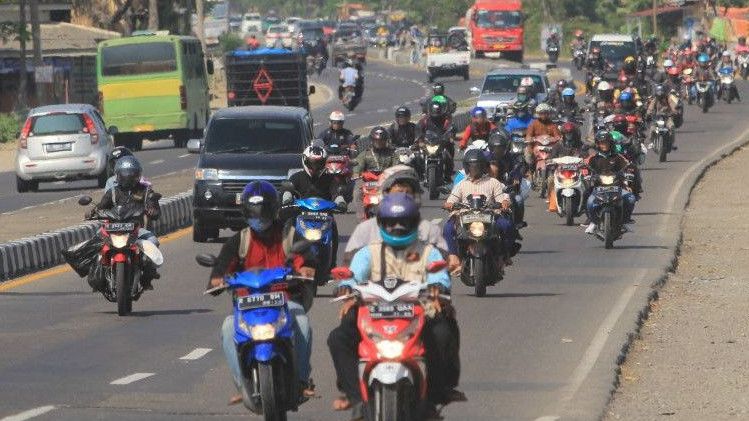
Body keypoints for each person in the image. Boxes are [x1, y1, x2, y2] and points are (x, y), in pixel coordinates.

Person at [328, 193, 461, 419]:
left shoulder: (428, 251)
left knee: (443, 333)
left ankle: (435, 395)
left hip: (420, 311)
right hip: (371, 313)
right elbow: (351, 275)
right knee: (338, 337)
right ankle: (356, 396)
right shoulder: (368, 253)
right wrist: (346, 287)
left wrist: (437, 287)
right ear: (381, 223)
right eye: (391, 222)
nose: (398, 227)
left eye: (404, 222)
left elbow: (439, 275)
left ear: (414, 222)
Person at [207, 181, 317, 405]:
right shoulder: (239, 240)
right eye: (254, 213)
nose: (259, 218)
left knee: (303, 325)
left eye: (264, 212)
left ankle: (302, 381)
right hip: (248, 306)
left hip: (285, 301)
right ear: (246, 212)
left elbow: (305, 257)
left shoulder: (288, 235)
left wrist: (305, 268)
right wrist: (217, 280)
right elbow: (221, 268)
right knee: (228, 328)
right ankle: (242, 384)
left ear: (274, 210)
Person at [343, 165, 448, 264]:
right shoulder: (365, 230)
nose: (402, 198)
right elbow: (349, 268)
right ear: (385, 193)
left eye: (408, 193)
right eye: (398, 191)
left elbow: (442, 269)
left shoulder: (430, 230)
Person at [89, 156, 161, 289]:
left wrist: (152, 210)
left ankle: (147, 278)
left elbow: (155, 210)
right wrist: (92, 212)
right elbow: (101, 206)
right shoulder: (113, 192)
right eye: (124, 174)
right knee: (94, 242)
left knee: (153, 241)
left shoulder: (146, 192)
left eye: (131, 174)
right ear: (118, 175)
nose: (127, 178)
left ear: (137, 175)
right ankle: (97, 275)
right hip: (112, 229)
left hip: (138, 231)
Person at [443, 149, 518, 271]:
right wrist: (449, 204)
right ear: (467, 167)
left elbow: (501, 198)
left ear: (483, 166)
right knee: (447, 228)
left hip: (489, 215)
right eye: (472, 166)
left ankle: (503, 255)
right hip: (465, 216)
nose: (474, 169)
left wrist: (503, 203)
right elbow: (451, 200)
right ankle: (453, 256)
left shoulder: (493, 182)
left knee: (507, 226)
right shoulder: (462, 184)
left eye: (477, 166)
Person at [584, 131, 637, 234]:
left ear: (611, 143)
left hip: (617, 187)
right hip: (598, 188)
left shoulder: (617, 157)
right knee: (589, 201)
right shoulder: (593, 158)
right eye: (602, 143)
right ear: (598, 144)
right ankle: (593, 222)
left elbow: (628, 166)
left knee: (631, 198)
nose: (604, 145)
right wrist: (586, 174)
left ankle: (624, 221)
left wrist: (630, 173)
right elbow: (585, 167)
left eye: (606, 142)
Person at [487, 128, 527, 228]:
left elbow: (516, 170)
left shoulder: (509, 158)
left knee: (518, 199)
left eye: (500, 149)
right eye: (495, 149)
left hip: (504, 188)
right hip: (486, 187)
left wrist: (516, 179)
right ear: (490, 148)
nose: (498, 151)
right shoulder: (485, 158)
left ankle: (517, 223)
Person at [419, 99, 455, 179]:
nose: (435, 114)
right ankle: (420, 175)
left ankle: (447, 175)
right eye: (434, 111)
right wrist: (420, 140)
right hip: (427, 143)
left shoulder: (445, 120)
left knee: (448, 157)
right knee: (417, 157)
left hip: (441, 143)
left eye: (437, 111)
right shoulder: (425, 121)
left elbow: (451, 128)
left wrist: (450, 137)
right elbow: (419, 130)